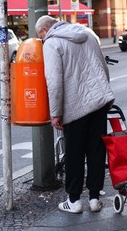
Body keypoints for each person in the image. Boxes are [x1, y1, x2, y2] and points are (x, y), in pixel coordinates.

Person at [35, 15, 115, 214]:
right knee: (96, 150)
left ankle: (74, 200)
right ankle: (95, 197)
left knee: (74, 153)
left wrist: (55, 113)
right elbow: (102, 68)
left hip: (75, 106)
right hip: (98, 102)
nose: (41, 40)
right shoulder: (86, 34)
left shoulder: (52, 43)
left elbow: (54, 81)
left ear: (46, 30)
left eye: (40, 36)